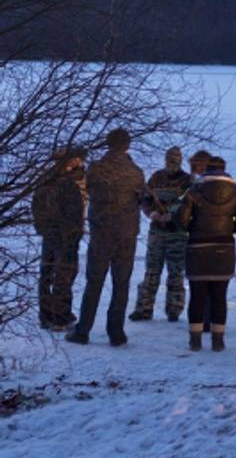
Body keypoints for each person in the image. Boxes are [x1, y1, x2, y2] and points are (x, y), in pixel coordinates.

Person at [67, 128, 146, 347]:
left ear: (108, 144)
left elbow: (84, 187)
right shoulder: (136, 172)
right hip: (127, 235)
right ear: (127, 146)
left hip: (102, 233)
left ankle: (83, 330)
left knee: (94, 282)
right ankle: (116, 333)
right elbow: (143, 198)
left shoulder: (96, 169)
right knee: (121, 283)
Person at [176, 156, 236, 351]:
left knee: (197, 295)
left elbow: (182, 220)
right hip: (225, 248)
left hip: (198, 248)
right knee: (220, 296)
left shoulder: (194, 191)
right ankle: (218, 340)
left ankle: (195, 340)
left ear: (206, 170)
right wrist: (229, 228)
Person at [129, 147, 193, 323]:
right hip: (157, 231)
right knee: (151, 271)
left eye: (176, 159)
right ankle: (144, 309)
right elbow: (145, 199)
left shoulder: (188, 181)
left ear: (180, 160)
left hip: (178, 233)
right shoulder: (156, 177)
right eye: (170, 159)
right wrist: (152, 214)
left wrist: (175, 216)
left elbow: (191, 206)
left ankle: (174, 310)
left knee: (176, 273)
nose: (172, 162)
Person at [33, 146, 88, 331]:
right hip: (64, 235)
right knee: (63, 275)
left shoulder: (47, 178)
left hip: (50, 233)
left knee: (48, 273)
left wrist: (42, 228)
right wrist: (73, 232)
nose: (81, 162)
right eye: (79, 159)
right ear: (70, 161)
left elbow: (36, 207)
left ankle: (47, 315)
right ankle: (60, 318)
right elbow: (72, 211)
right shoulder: (67, 183)